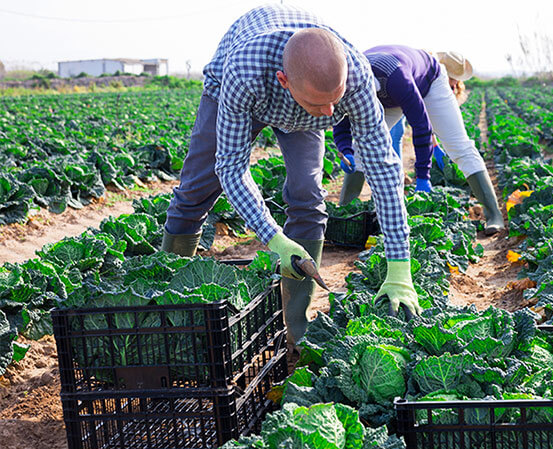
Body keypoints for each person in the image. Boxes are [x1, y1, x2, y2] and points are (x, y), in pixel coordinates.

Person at [160, 5, 420, 348]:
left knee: (308, 199)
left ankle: (297, 323)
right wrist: (275, 240)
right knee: (194, 193)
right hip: (238, 93)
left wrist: (400, 264)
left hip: (304, 108)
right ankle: (170, 305)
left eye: (335, 101)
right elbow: (232, 168)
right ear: (285, 81)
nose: (331, 113)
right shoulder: (244, 72)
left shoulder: (354, 77)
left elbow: (384, 168)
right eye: (320, 103)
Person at [333, 46, 505, 235]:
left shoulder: (399, 80)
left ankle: (493, 215)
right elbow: (343, 117)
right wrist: (346, 149)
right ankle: (344, 215)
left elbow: (422, 127)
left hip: (428, 82)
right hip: (387, 91)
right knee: (360, 148)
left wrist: (423, 176)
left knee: (458, 146)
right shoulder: (349, 79)